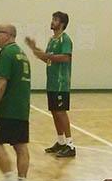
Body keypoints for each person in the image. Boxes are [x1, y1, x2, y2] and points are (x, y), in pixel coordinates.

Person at [0, 24, 31, 181]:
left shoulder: (6, 54)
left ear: (8, 35)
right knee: (21, 146)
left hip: (8, 109)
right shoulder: (21, 54)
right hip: (22, 108)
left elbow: (2, 82)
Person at [25, 11, 75, 158]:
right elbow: (48, 59)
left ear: (62, 23)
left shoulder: (65, 39)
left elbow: (65, 58)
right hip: (51, 83)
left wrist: (47, 56)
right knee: (54, 111)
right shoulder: (52, 40)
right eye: (52, 19)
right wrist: (34, 49)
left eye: (55, 20)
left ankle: (70, 145)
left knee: (61, 112)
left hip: (61, 83)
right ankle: (60, 142)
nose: (52, 22)